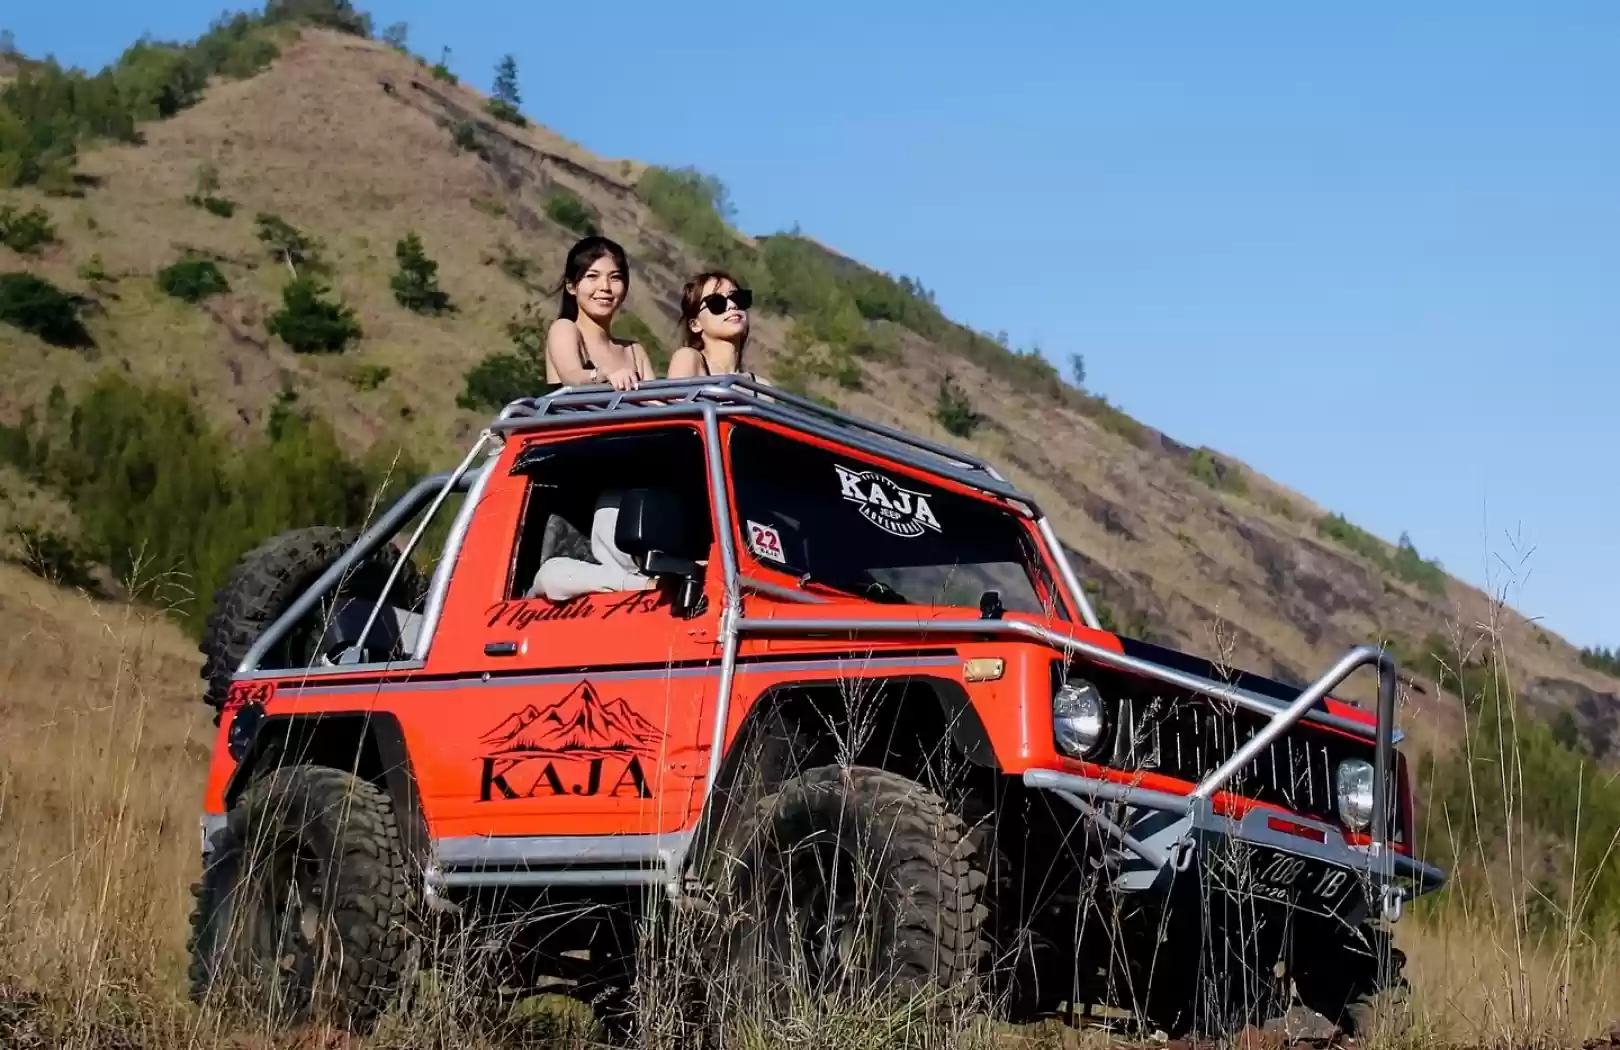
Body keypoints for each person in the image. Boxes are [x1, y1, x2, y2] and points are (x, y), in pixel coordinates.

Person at [545, 236, 655, 393]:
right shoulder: (565, 328)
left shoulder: (634, 351)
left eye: (615, 277)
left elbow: (656, 401)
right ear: (571, 286)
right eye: (592, 276)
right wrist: (603, 374)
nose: (605, 287)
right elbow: (571, 377)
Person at [667, 270, 753, 379]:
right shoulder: (689, 359)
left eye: (737, 298)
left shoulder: (761, 386)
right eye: (717, 303)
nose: (732, 305)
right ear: (695, 325)